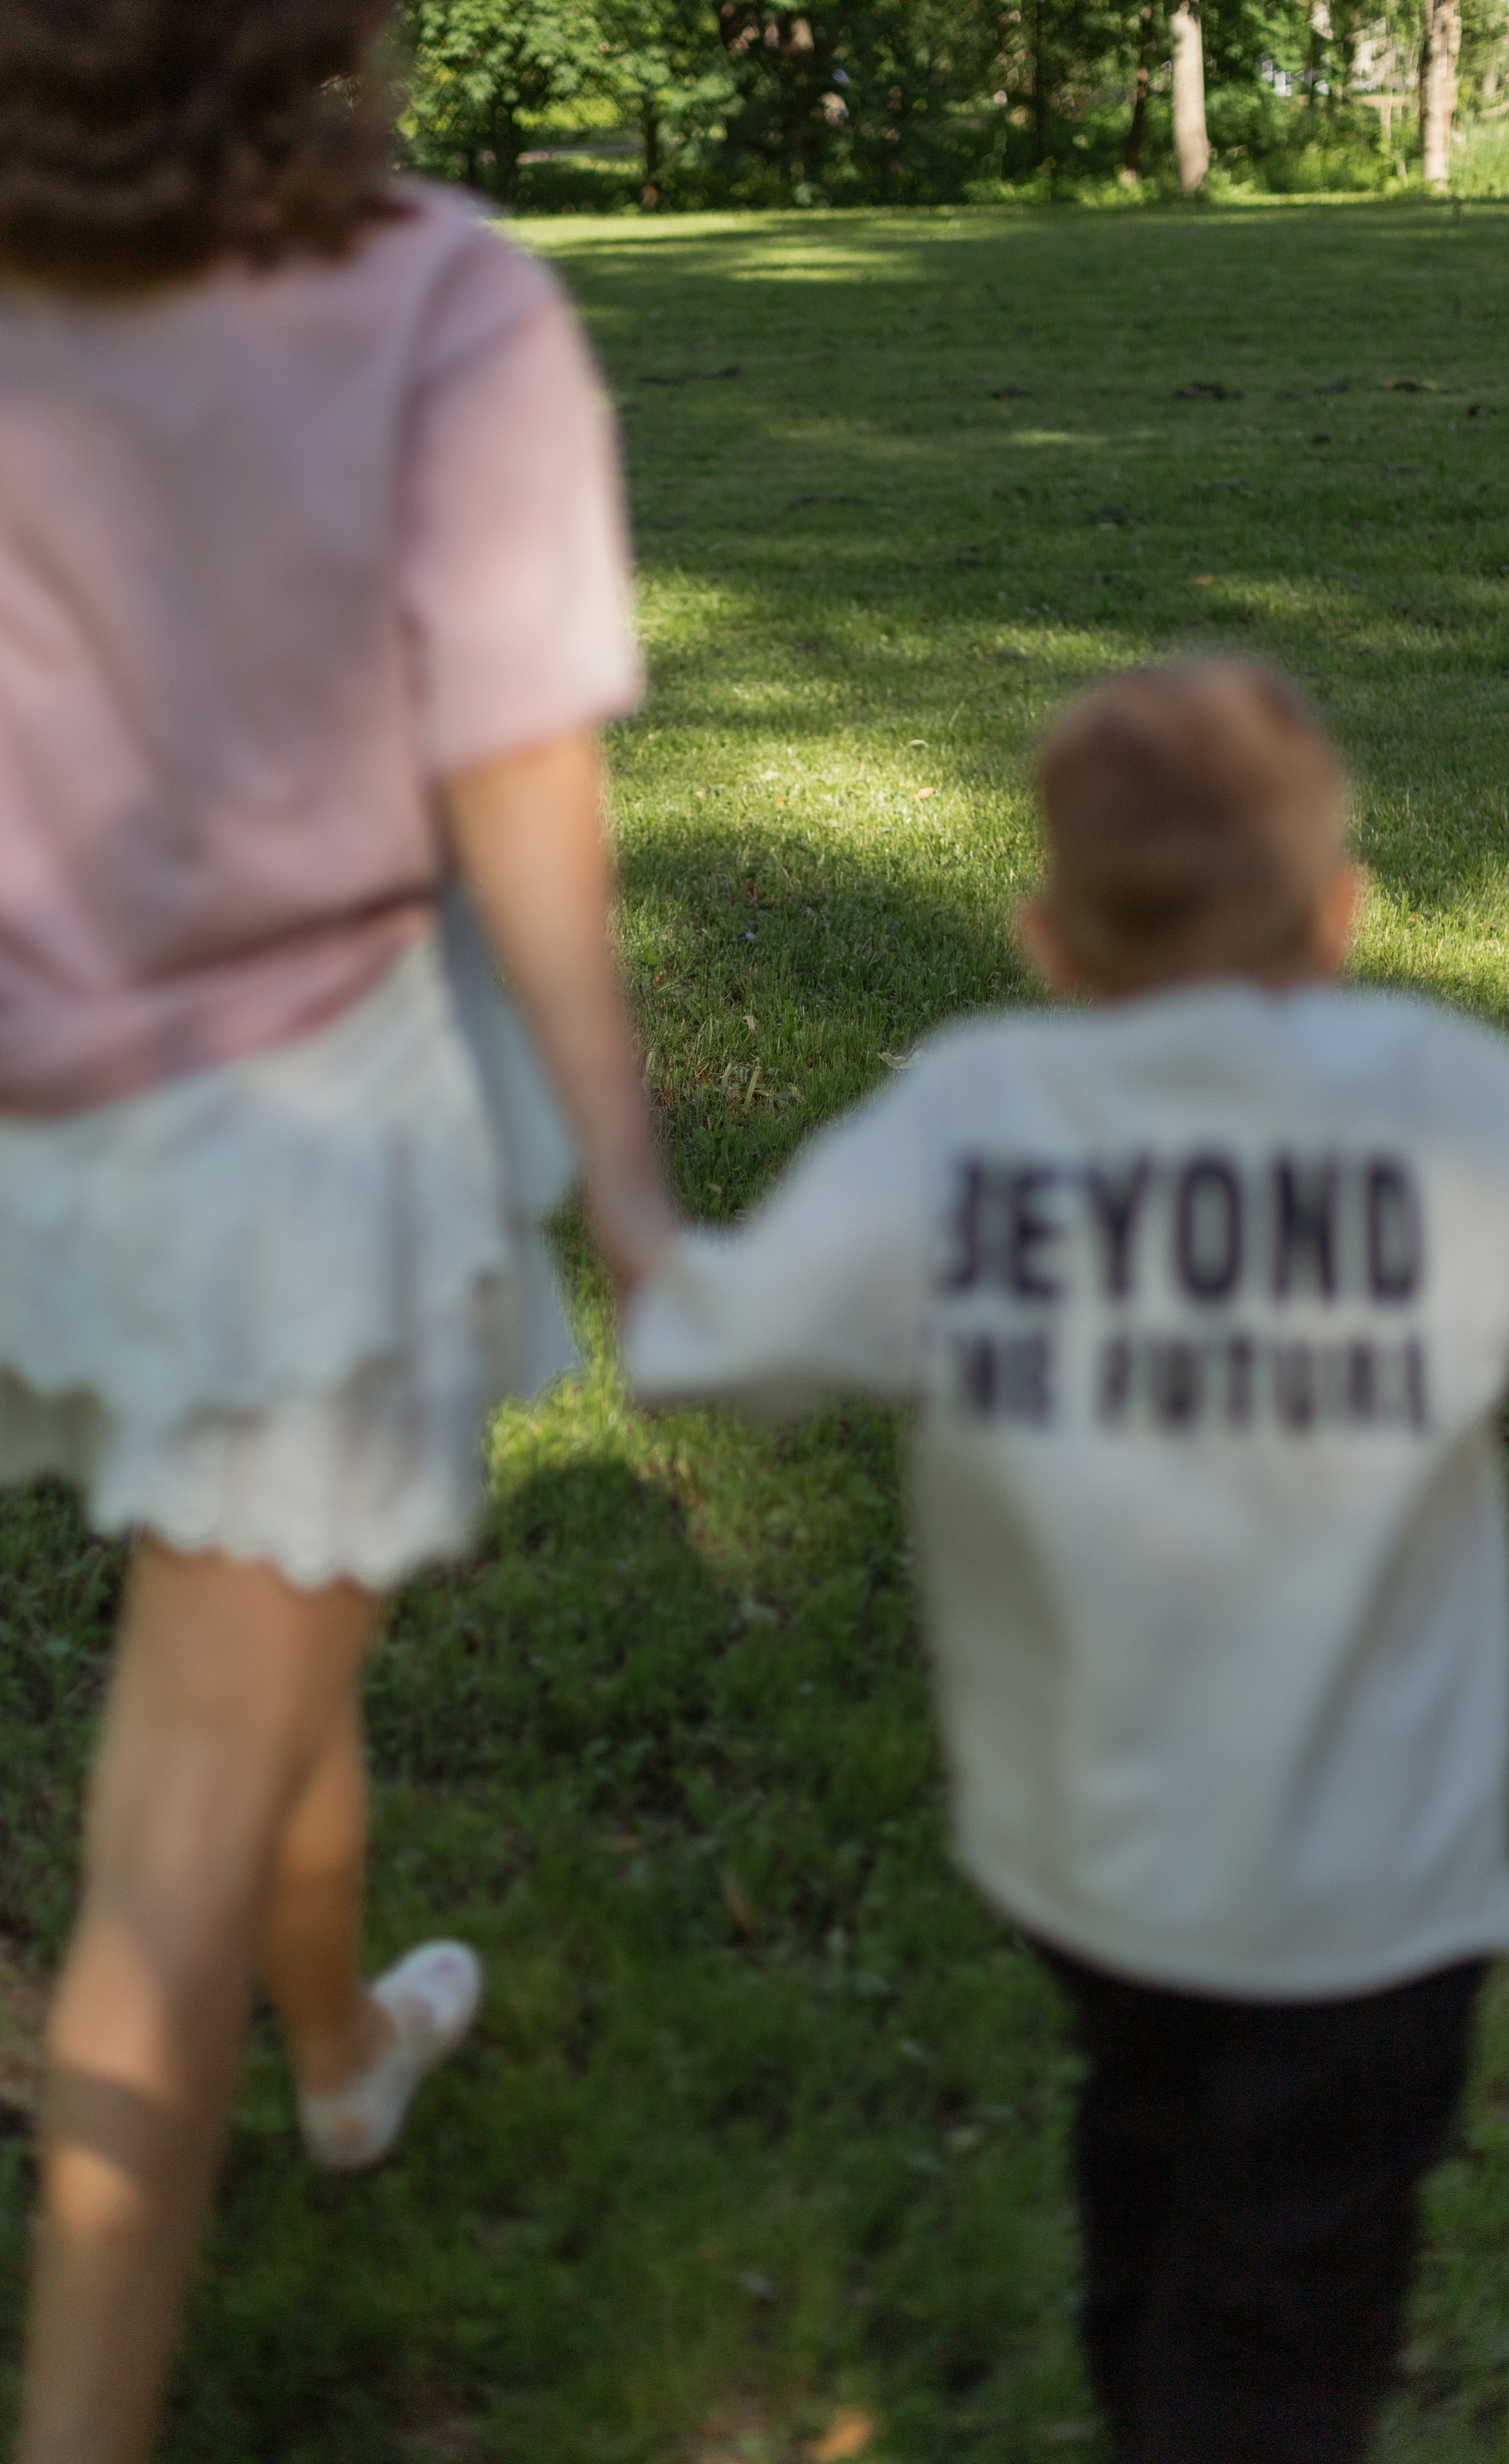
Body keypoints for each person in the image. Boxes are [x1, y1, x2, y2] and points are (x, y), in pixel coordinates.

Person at [0, 0, 672, 2457]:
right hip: (287, 1153)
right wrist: (628, 1187)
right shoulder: (443, 304)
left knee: (267, 1598)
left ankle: (347, 2045)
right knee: (162, 1832)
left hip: (24, 1137)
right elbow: (524, 802)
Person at [625, 658, 1509, 2464]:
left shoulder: (973, 1120)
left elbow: (711, 1353)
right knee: (1288, 2292)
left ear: (1047, 937)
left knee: (1164, 2153)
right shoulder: (1449, 1105)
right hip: (1383, 1898)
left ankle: (1157, 2379)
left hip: (1099, 1862)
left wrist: (639, 1219)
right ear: (1341, 915)